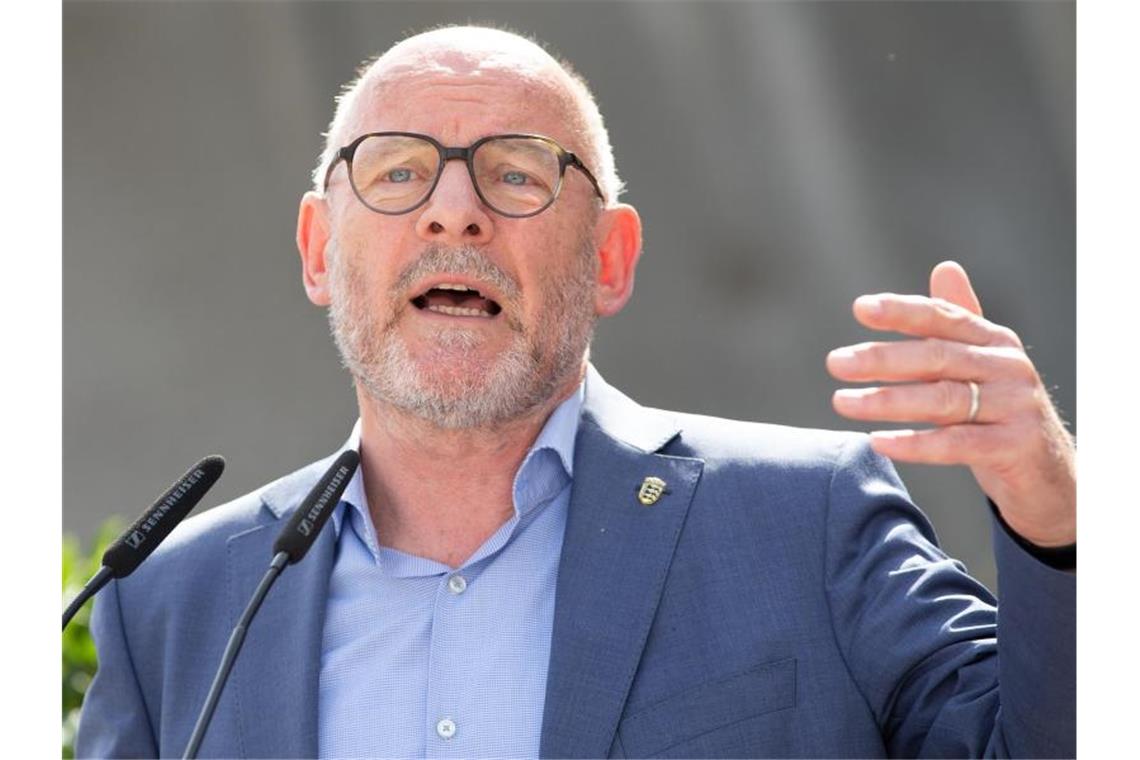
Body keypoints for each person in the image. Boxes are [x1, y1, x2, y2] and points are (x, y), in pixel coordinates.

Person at [76, 25, 1075, 759]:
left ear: (610, 257)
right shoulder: (172, 606)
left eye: (516, 175)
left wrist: (1054, 524)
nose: (454, 216)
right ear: (317, 248)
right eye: (397, 173)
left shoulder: (803, 524)